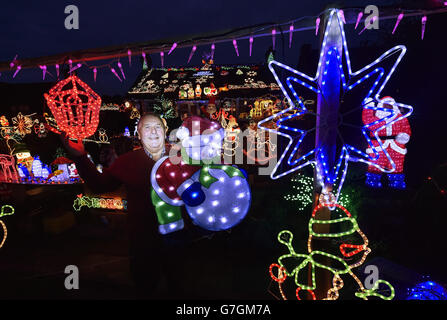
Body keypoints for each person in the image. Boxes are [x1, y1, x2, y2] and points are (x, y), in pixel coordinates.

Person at [60, 112, 188, 299]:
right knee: (145, 287)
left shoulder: (181, 158)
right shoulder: (128, 161)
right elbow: (99, 184)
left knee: (178, 287)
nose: (153, 132)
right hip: (142, 240)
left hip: (177, 237)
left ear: (165, 130)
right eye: (147, 127)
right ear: (139, 134)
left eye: (157, 127)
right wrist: (80, 157)